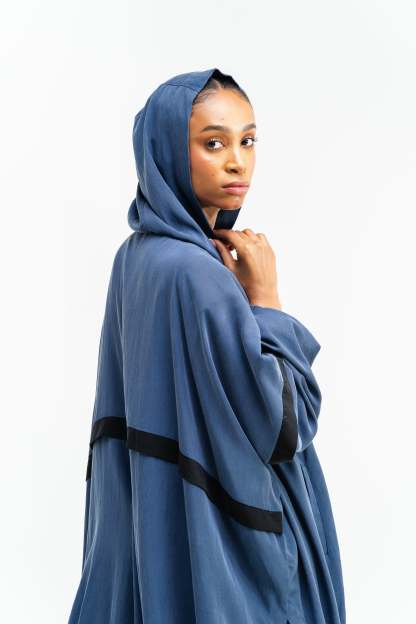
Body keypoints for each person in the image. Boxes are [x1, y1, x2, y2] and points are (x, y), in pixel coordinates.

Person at [68, 67, 346, 624]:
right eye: (213, 143)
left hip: (161, 533)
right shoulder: (199, 274)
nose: (238, 162)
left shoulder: (136, 257)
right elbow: (283, 427)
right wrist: (267, 302)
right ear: (169, 152)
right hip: (230, 551)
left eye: (248, 140)